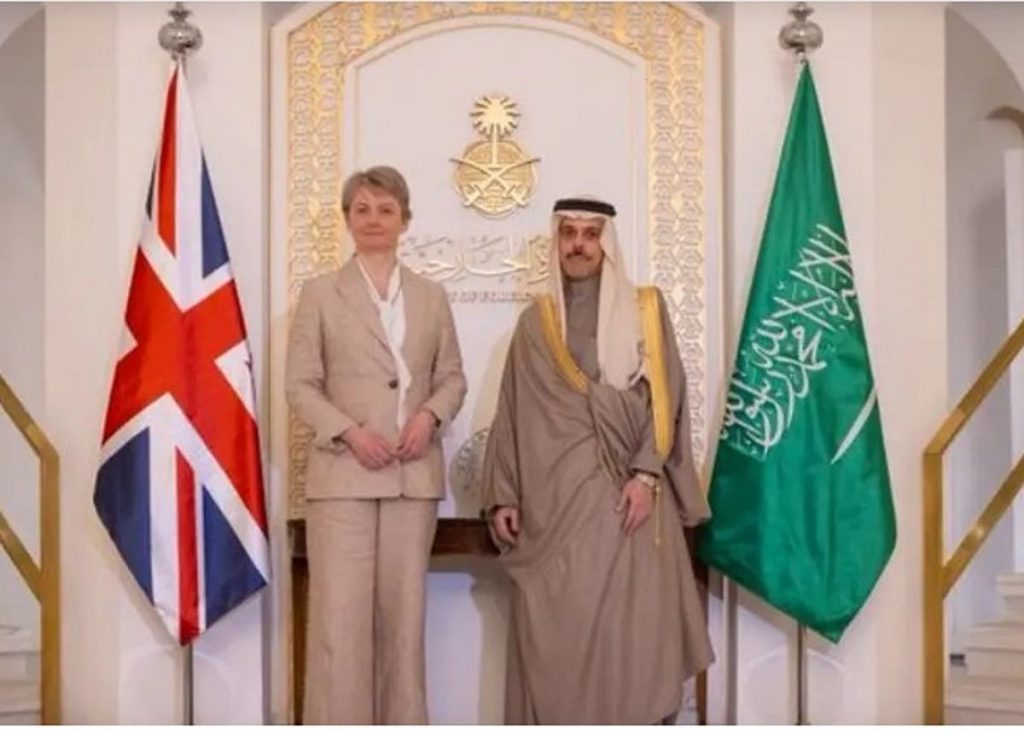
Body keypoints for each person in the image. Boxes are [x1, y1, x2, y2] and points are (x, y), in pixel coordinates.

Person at [481, 196, 713, 724]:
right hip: (554, 508)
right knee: (559, 633)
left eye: (590, 234)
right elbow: (513, 410)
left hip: (628, 502)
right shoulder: (536, 323)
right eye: (569, 234)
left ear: (607, 242)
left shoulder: (645, 310)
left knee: (631, 637)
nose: (579, 245)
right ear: (557, 242)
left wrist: (646, 476)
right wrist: (503, 495)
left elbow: (665, 399)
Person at [286, 165, 467, 724]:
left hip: (413, 480)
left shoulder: (431, 296)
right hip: (343, 479)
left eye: (385, 210)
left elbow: (453, 378)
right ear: (347, 219)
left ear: (404, 220)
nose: (373, 219)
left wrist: (429, 418)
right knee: (339, 627)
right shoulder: (319, 294)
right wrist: (350, 432)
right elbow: (299, 384)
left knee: (403, 627)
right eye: (361, 209)